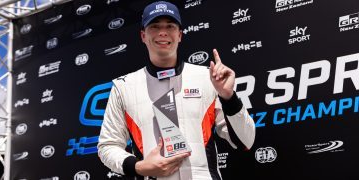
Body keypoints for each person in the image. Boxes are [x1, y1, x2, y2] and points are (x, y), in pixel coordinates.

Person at [97, 1, 256, 179]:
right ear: (143, 35)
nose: (162, 32)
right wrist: (138, 166)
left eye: (170, 26)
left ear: (180, 35)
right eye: (155, 26)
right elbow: (107, 146)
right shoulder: (124, 87)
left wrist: (229, 97)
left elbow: (246, 141)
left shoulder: (208, 78)